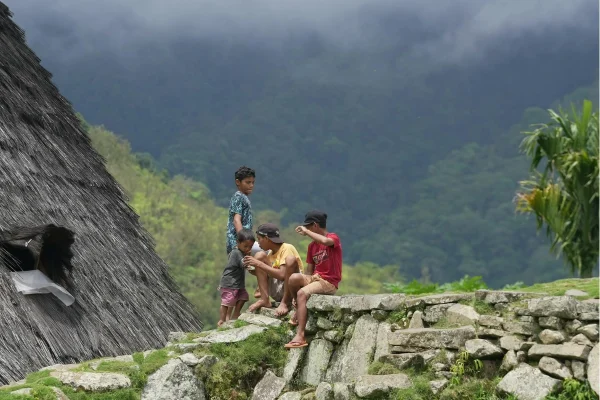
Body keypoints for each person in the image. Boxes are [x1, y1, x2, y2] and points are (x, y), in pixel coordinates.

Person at [285, 211, 342, 348]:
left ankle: (300, 336)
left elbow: (324, 241)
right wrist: (304, 281)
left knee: (302, 294)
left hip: (328, 282)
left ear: (315, 225)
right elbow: (309, 271)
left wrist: (306, 232)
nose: (307, 230)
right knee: (293, 278)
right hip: (315, 279)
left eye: (309, 227)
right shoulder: (312, 246)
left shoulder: (333, 237)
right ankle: (299, 308)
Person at [243, 223, 304, 316]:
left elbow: (283, 275)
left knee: (289, 260)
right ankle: (265, 300)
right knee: (260, 256)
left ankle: (285, 302)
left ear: (267, 238)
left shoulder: (287, 248)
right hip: (278, 290)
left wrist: (258, 264)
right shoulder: (270, 254)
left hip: (292, 289)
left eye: (259, 239)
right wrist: (252, 269)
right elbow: (267, 273)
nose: (258, 242)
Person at [226, 166, 262, 298]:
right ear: (238, 182)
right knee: (266, 256)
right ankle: (262, 289)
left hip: (243, 241)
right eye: (247, 182)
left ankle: (261, 288)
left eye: (253, 182)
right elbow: (237, 220)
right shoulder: (238, 197)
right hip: (241, 242)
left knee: (239, 276)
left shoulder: (243, 197)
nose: (251, 185)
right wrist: (244, 240)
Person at [217, 229, 255, 327]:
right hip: (230, 282)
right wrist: (252, 263)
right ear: (238, 242)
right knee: (227, 302)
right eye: (245, 246)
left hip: (238, 283)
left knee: (244, 296)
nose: (248, 249)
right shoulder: (236, 253)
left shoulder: (241, 252)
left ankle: (236, 313)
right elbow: (243, 263)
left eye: (250, 247)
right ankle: (222, 320)